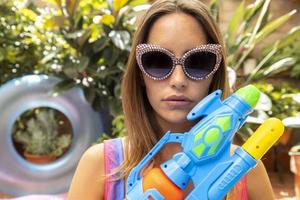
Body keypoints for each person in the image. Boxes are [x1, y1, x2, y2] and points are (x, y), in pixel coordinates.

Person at [68, 0, 275, 199]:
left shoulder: (247, 172)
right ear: (140, 74)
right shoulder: (100, 167)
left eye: (198, 62)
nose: (178, 81)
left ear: (214, 73)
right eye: (157, 61)